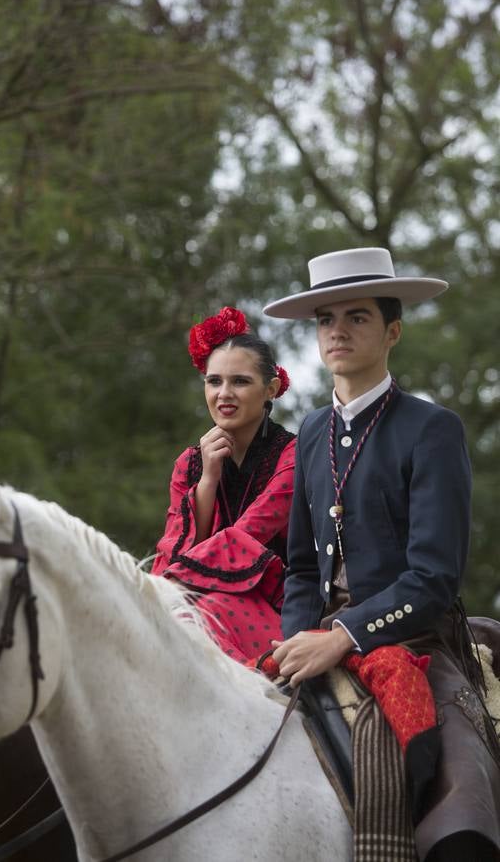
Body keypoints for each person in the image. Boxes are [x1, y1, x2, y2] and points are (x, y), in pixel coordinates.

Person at [263, 247, 500, 861]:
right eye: (324, 320)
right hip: (313, 640)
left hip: (417, 642)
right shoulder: (312, 431)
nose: (337, 330)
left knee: (462, 817)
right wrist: (295, 643)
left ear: (392, 331)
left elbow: (433, 580)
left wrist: (342, 636)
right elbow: (302, 566)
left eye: (357, 317)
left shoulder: (431, 428)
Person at [151, 306, 295, 664]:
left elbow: (247, 534)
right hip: (202, 595)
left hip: (283, 603)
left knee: (194, 616)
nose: (224, 393)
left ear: (271, 389)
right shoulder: (190, 464)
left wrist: (162, 591)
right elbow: (173, 551)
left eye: (240, 381)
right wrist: (208, 479)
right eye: (214, 381)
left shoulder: (295, 456)